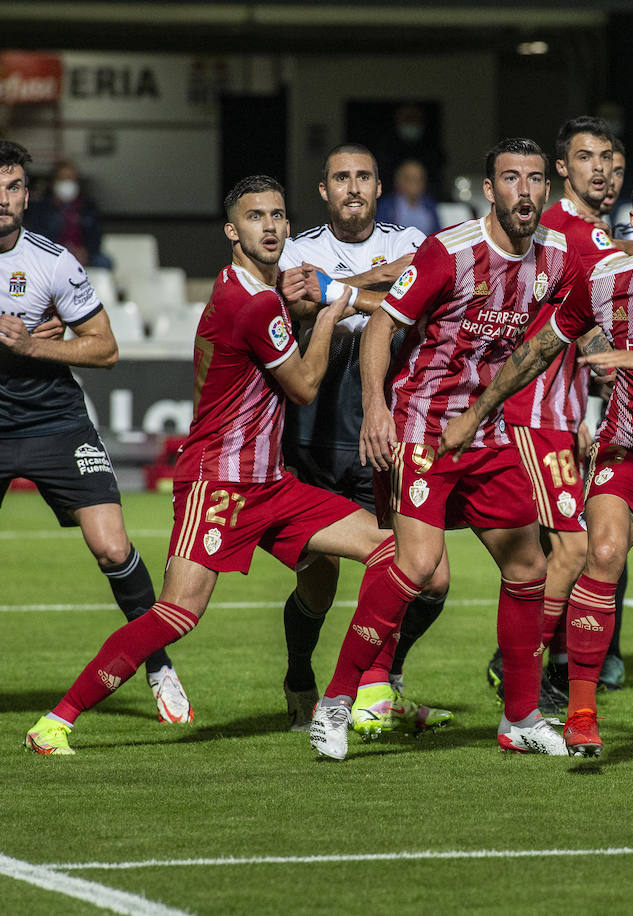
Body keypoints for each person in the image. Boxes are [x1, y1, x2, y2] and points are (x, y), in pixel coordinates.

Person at [24, 175, 405, 757]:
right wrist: (332, 309)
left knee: (390, 549)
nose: (272, 226)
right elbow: (303, 386)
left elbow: (313, 305)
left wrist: (334, 296)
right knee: (178, 613)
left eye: (279, 215)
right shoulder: (249, 304)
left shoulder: (260, 290)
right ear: (232, 231)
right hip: (219, 480)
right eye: (256, 217)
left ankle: (344, 693)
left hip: (271, 483)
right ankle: (57, 720)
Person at [439, 167, 633, 758]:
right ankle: (582, 713)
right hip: (629, 451)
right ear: (632, 222)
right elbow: (538, 348)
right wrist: (477, 412)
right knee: (601, 552)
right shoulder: (604, 279)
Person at [353, 137, 582, 757]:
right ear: (490, 189)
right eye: (511, 178)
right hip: (422, 426)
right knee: (423, 569)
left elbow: (620, 272)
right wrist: (376, 409)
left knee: (529, 564)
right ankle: (349, 692)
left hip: (485, 433)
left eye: (536, 179)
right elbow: (382, 324)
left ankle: (521, 718)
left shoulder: (559, 257)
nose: (525, 190)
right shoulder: (448, 252)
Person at [0, 140, 191, 729]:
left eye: (14, 186)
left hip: (54, 422)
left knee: (112, 547)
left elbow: (106, 349)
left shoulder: (52, 262)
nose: (3, 198)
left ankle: (158, 665)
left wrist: (36, 344)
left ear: (27, 194)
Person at [277, 143, 450, 738]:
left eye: (364, 177)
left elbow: (423, 301)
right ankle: (300, 676)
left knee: (431, 577)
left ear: (379, 188)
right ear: (323, 190)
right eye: (340, 178)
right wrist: (372, 283)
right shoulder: (296, 249)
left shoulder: (412, 243)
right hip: (314, 435)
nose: (353, 187)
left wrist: (335, 289)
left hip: (388, 430)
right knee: (319, 579)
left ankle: (384, 683)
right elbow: (294, 299)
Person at [488, 116, 622, 711]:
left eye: (609, 158)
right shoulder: (561, 232)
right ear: (563, 170)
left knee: (549, 555)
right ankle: (521, 667)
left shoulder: (593, 236)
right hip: (530, 413)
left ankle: (528, 664)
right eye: (587, 157)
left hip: (561, 415)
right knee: (571, 550)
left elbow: (578, 322)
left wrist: (591, 401)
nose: (601, 169)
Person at [23, 160, 110, 269]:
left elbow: (96, 235)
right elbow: (37, 237)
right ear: (53, 182)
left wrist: (86, 252)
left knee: (104, 262)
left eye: (71, 179)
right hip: (51, 255)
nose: (68, 183)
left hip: (83, 255)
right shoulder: (40, 207)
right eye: (63, 179)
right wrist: (63, 253)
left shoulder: (88, 207)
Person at [374, 158, 441, 237]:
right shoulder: (386, 206)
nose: (414, 184)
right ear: (398, 181)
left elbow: (438, 235)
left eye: (418, 179)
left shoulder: (430, 205)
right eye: (408, 179)